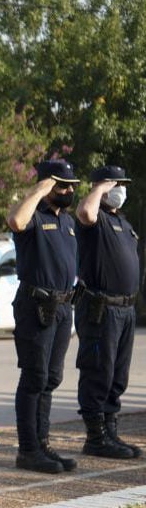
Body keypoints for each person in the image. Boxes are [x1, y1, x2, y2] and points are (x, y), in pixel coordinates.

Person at [5, 160, 80, 473]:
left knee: (51, 379)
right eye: (62, 184)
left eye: (71, 185)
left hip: (63, 307)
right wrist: (39, 189)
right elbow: (15, 221)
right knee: (34, 377)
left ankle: (43, 443)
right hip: (36, 305)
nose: (69, 190)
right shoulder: (33, 215)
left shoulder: (67, 221)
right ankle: (28, 450)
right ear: (47, 185)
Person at [74, 165, 142, 460]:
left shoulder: (123, 223)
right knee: (98, 371)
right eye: (115, 184)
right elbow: (86, 213)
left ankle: (110, 430)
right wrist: (100, 188)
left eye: (121, 183)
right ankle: (96, 437)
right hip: (101, 309)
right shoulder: (94, 218)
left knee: (117, 375)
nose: (120, 189)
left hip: (125, 310)